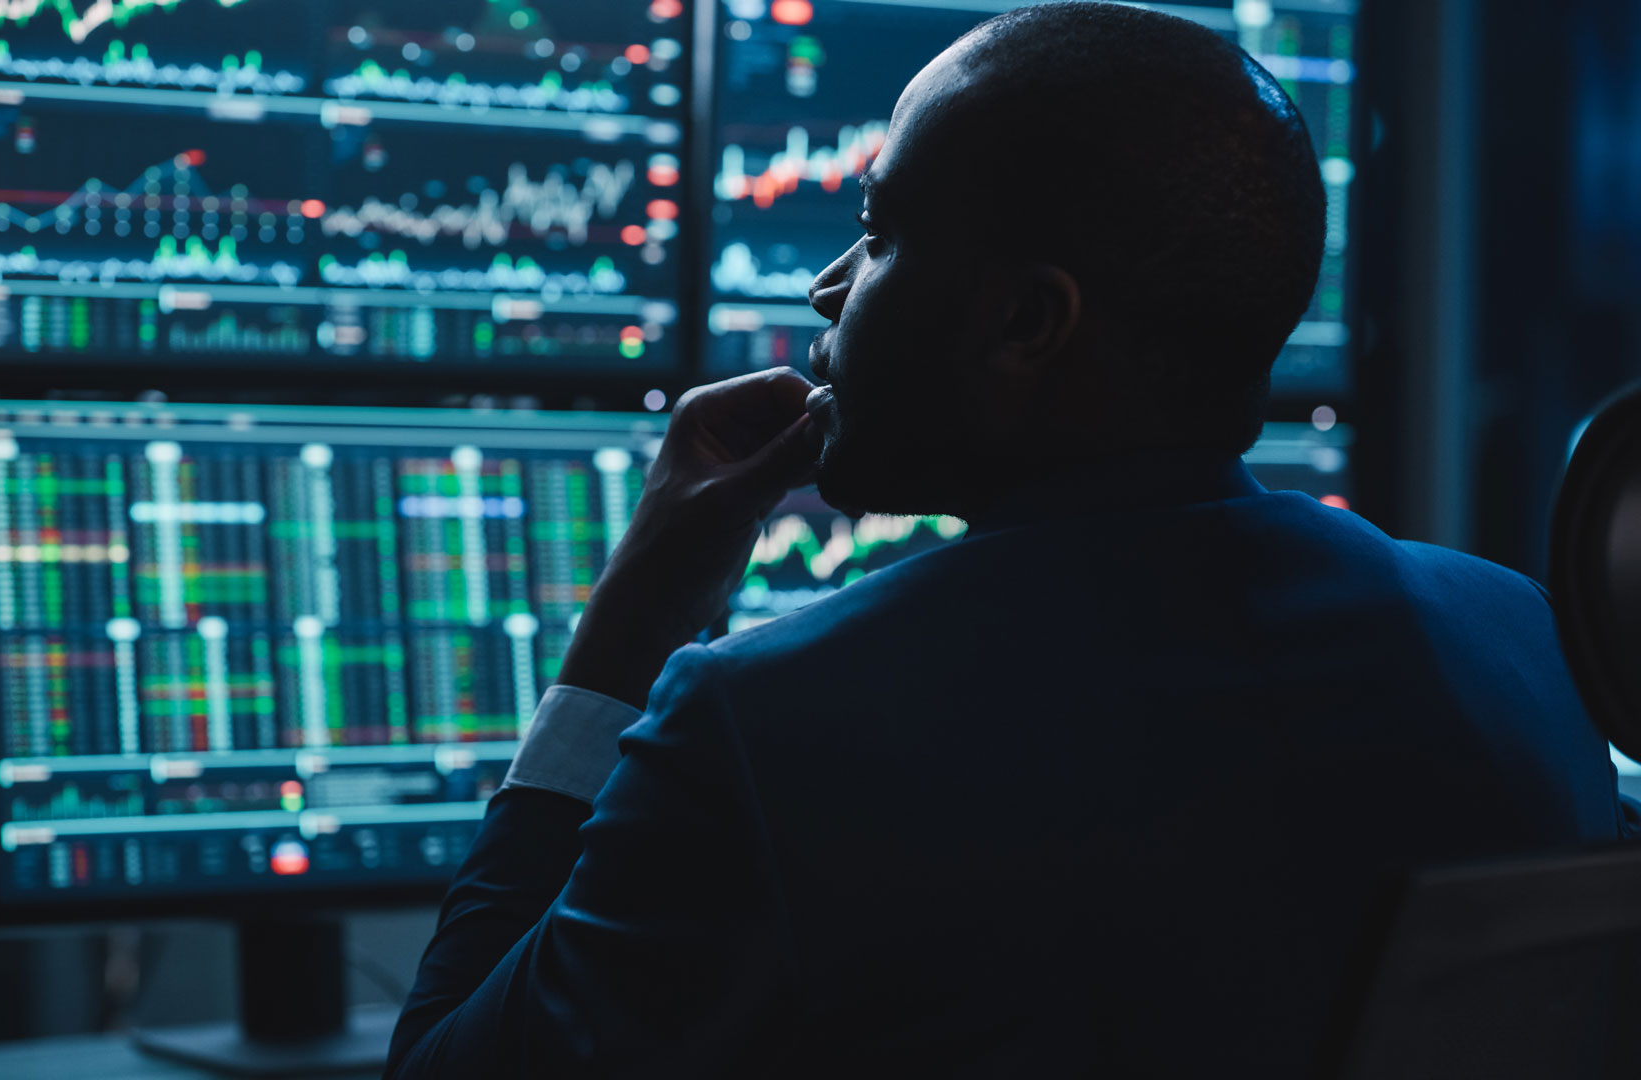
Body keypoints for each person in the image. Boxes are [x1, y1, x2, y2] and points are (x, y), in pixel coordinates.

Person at [385, 4, 1620, 1076]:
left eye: (876, 231)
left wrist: (624, 633)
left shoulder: (764, 732)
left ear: (1028, 323)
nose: (827, 288)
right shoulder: (1517, 642)